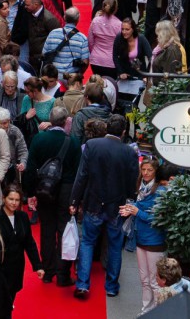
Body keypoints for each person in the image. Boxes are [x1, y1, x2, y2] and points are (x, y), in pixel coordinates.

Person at [69, 115, 139, 299]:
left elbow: (81, 175)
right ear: (124, 132)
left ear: (107, 127)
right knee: (115, 246)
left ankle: (83, 284)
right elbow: (132, 183)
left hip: (93, 202)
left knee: (88, 242)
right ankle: (111, 286)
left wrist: (74, 201)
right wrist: (130, 201)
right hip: (117, 205)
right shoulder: (129, 152)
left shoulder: (92, 145)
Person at [23, 106, 81, 286]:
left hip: (45, 189)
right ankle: (63, 274)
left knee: (47, 229)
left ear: (50, 119)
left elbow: (30, 167)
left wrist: (30, 193)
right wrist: (77, 199)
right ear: (65, 122)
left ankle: (47, 271)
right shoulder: (73, 142)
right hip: (66, 190)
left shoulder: (39, 139)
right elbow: (79, 172)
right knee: (64, 231)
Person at [120, 159, 169, 313]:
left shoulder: (161, 192)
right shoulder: (142, 189)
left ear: (155, 172)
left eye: (149, 170)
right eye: (144, 170)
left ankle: (157, 312)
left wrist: (136, 212)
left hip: (155, 240)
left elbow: (159, 219)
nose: (146, 173)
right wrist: (131, 208)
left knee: (155, 281)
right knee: (144, 280)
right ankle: (146, 310)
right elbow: (141, 207)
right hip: (141, 238)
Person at [0, 184, 44, 316]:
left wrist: (38, 266)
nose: (14, 203)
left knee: (9, 300)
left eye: (17, 200)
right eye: (11, 199)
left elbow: (29, 243)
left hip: (16, 267)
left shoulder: (22, 217)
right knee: (1, 305)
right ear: (4, 198)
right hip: (0, 269)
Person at [42, 7, 89, 74]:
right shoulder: (82, 38)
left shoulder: (53, 33)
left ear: (64, 17)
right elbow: (85, 62)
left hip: (54, 75)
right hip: (72, 77)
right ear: (78, 19)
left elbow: (44, 54)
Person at [22, 0, 61, 73]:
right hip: (32, 57)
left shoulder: (49, 19)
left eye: (27, 5)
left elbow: (58, 39)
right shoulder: (28, 14)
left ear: (36, 4)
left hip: (44, 59)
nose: (25, 7)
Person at [88, 0, 123, 79]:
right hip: (111, 61)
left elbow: (90, 41)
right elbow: (120, 44)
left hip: (96, 60)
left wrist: (94, 51)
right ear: (115, 9)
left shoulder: (95, 21)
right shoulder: (119, 24)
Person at [0, 107, 28, 185]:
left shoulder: (15, 131)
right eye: (1, 123)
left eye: (6, 122)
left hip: (12, 170)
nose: (4, 126)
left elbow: (23, 151)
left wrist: (23, 163)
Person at [151, 20, 186, 86]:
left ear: (163, 35)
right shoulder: (167, 48)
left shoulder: (172, 50)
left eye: (158, 35)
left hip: (164, 91)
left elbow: (169, 76)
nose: (157, 38)